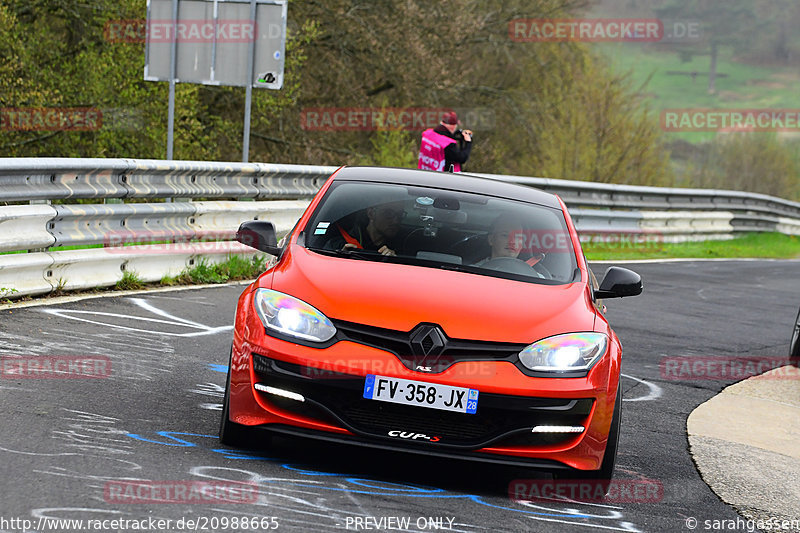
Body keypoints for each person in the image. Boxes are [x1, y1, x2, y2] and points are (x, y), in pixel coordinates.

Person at [330, 200, 406, 256]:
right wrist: (340, 257)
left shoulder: (405, 246)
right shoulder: (339, 243)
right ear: (371, 214)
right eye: (388, 214)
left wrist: (395, 261)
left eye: (400, 214)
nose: (396, 221)